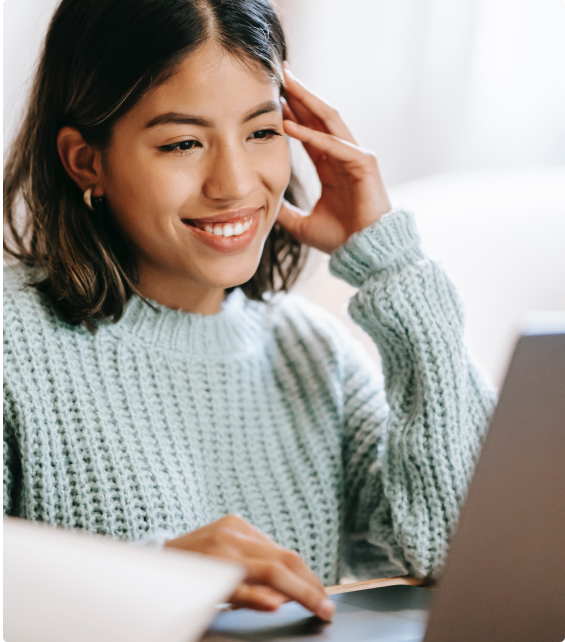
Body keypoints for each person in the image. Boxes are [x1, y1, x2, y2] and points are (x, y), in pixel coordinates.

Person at [3, 0, 496, 622]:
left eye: (263, 132)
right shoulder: (12, 343)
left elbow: (464, 560)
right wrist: (149, 582)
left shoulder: (317, 354)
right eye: (183, 142)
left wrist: (390, 265)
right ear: (86, 160)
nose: (235, 183)